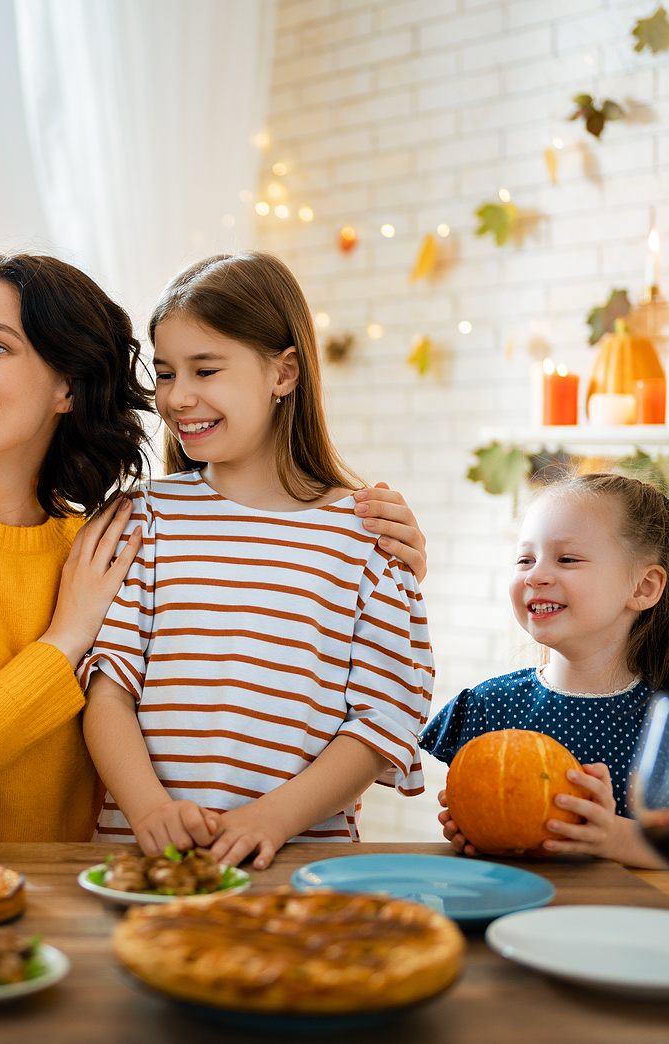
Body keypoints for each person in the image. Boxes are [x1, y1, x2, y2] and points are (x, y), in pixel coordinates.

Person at [0, 252, 432, 843]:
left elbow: (373, 695)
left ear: (68, 387)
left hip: (50, 909)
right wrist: (68, 636)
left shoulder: (102, 538)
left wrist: (386, 557)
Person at [79, 253, 434, 871]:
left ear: (285, 373)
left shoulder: (368, 536)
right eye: (165, 372)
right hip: (144, 863)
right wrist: (148, 811)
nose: (178, 397)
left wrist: (273, 818)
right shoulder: (147, 517)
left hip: (297, 865)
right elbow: (107, 685)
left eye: (206, 369)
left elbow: (383, 716)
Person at [425, 472, 669, 867]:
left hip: (641, 926)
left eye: (566, 559)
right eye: (525, 559)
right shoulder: (488, 707)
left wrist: (614, 836)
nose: (535, 575)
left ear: (643, 588)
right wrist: (473, 831)